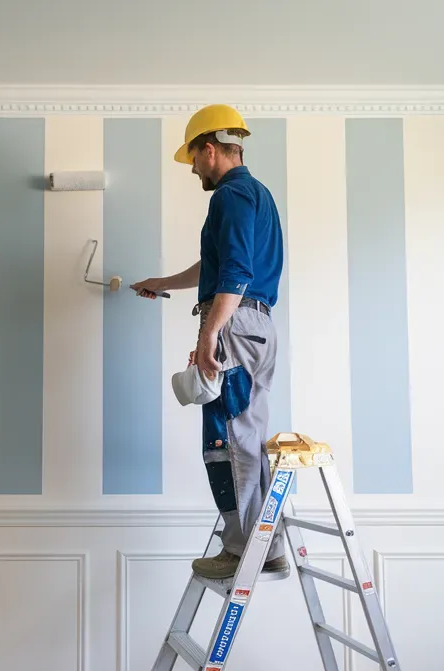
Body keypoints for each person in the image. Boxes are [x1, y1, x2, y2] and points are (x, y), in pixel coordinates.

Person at [132, 104, 287, 581]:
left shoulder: (229, 196)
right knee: (246, 435)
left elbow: (235, 274)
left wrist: (209, 335)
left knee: (227, 440)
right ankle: (269, 544)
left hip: (236, 326)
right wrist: (164, 282)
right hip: (255, 326)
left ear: (210, 149)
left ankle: (241, 550)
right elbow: (218, 266)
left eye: (194, 159)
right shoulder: (254, 195)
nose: (193, 169)